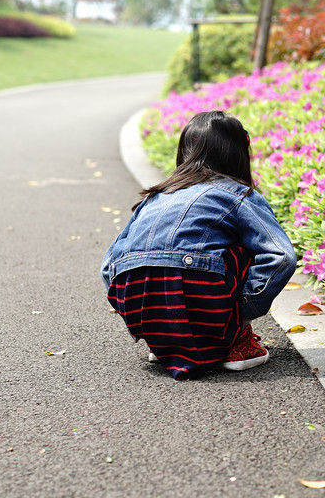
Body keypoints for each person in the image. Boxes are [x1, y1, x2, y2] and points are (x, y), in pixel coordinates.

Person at [101, 111, 297, 380]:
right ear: (238, 152)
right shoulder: (237, 193)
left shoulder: (156, 196)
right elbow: (281, 256)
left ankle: (167, 341)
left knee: (143, 262)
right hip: (205, 300)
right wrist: (242, 312)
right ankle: (234, 340)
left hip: (139, 308)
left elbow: (108, 265)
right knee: (244, 250)